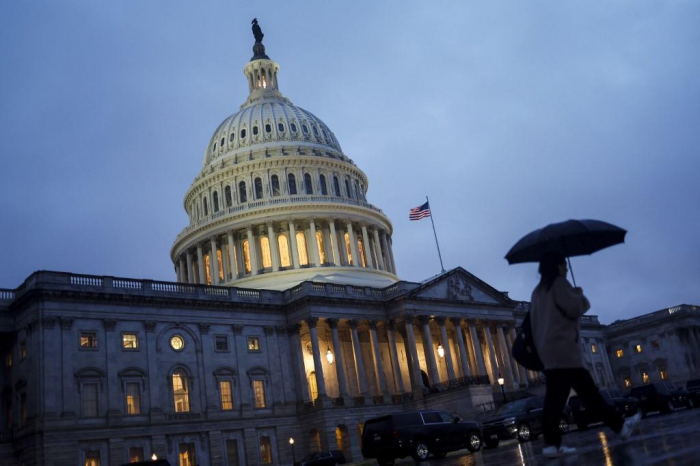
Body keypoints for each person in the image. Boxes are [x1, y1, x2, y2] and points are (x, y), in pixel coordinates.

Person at [530, 251, 641, 458]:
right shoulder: (560, 285)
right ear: (558, 266)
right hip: (565, 351)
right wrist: (579, 294)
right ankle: (621, 427)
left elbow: (535, 323)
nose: (566, 268)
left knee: (554, 401)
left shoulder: (537, 292)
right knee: (590, 395)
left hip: (549, 352)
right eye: (564, 265)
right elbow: (576, 309)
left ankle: (551, 445)